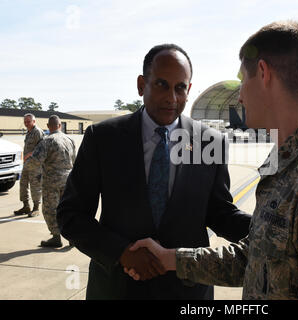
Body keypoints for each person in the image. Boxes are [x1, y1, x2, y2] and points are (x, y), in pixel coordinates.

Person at [126, 21, 298, 300]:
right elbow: (255, 259)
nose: (240, 95)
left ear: (263, 73)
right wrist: (171, 259)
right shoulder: (290, 163)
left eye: (243, 81)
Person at [56, 44, 252, 299]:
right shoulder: (103, 138)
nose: (171, 97)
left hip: (187, 291)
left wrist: (270, 227)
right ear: (141, 85)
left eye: (180, 87)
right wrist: (122, 253)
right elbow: (71, 215)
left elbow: (220, 213)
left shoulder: (209, 142)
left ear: (189, 90)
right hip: (118, 289)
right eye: (161, 84)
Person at [26, 115, 76, 247]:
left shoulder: (47, 141)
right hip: (68, 180)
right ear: (60, 126)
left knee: (50, 209)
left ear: (48, 127)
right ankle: (72, 237)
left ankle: (56, 237)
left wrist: (26, 166)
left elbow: (35, 161)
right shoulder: (70, 139)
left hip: (51, 182)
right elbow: (75, 161)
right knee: (68, 209)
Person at [14, 113, 44, 217]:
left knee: (35, 186)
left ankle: (36, 208)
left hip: (35, 165)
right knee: (23, 185)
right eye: (25, 122)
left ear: (34, 121)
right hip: (27, 164)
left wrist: (29, 154)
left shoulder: (37, 132)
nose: (26, 123)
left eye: (28, 121)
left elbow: (42, 148)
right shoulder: (29, 132)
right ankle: (26, 206)